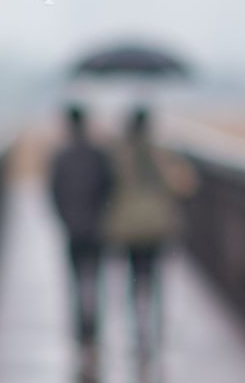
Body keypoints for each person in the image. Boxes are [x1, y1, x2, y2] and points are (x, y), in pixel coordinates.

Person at [102, 106, 195, 357]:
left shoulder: (118, 154)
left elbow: (106, 188)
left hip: (128, 225)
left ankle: (139, 327)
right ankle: (155, 324)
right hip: (157, 224)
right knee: (154, 276)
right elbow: (183, 185)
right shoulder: (161, 153)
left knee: (135, 275)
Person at [48, 103, 114, 360]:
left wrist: (64, 218)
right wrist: (101, 215)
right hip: (96, 226)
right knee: (94, 279)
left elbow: (54, 193)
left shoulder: (60, 156)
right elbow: (109, 187)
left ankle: (81, 331)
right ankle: (93, 327)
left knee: (76, 281)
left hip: (72, 228)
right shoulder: (98, 154)